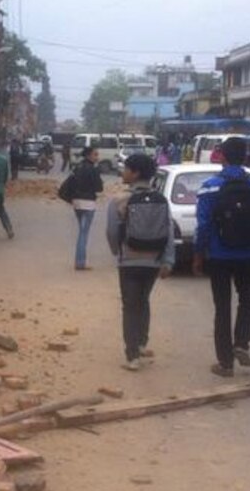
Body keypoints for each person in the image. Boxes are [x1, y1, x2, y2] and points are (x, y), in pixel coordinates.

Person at [194, 136, 250, 378]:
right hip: (249, 253)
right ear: (246, 156)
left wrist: (199, 254)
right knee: (247, 298)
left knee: (222, 305)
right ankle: (241, 343)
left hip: (219, 254)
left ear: (222, 156)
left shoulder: (210, 186)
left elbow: (204, 224)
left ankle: (225, 363)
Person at [105, 153, 176, 370]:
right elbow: (169, 231)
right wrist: (168, 260)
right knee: (143, 301)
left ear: (135, 173)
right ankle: (142, 343)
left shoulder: (119, 200)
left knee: (129, 306)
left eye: (126, 168)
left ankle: (132, 356)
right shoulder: (161, 200)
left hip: (129, 261)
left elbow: (111, 231)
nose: (123, 172)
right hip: (153, 262)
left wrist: (118, 250)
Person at [58, 147, 104, 270]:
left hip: (76, 203)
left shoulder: (76, 168)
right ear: (89, 155)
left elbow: (70, 184)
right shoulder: (93, 169)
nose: (97, 157)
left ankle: (80, 261)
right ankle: (80, 262)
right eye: (95, 154)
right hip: (88, 203)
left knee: (81, 231)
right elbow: (99, 188)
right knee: (83, 233)